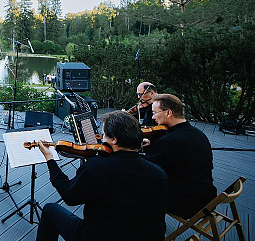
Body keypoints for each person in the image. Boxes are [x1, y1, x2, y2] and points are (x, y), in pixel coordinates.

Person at [36, 111, 168, 241]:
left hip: (100, 236)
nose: (101, 139)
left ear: (114, 140)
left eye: (104, 135)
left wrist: (50, 159)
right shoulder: (159, 172)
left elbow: (70, 196)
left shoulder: (96, 167)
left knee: (49, 210)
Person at [143, 93, 216, 219]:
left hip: (188, 204)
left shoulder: (169, 141)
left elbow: (144, 167)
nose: (153, 118)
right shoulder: (198, 134)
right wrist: (153, 143)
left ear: (168, 113)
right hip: (207, 197)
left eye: (155, 113)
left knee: (137, 186)